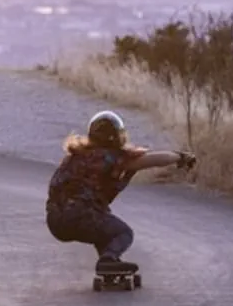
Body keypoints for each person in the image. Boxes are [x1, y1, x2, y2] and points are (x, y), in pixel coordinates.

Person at [45, 110, 196, 273]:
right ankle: (108, 259)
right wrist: (180, 157)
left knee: (103, 228)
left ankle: (109, 260)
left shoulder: (74, 157)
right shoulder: (111, 157)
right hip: (80, 217)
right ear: (116, 136)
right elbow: (153, 159)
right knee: (123, 232)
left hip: (55, 221)